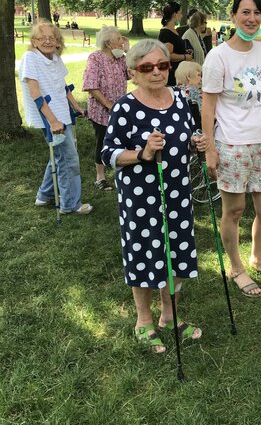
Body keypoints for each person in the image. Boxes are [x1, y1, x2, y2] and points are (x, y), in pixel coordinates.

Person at [101, 39, 207, 352]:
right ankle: (143, 321)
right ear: (133, 72)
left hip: (177, 193)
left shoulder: (178, 100)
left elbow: (187, 134)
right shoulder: (126, 106)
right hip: (141, 197)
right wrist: (142, 153)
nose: (157, 72)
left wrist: (195, 144)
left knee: (176, 253)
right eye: (147, 67)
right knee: (146, 254)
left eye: (162, 65)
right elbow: (109, 153)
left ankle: (170, 318)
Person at [202, 0, 261, 298]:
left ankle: (258, 257)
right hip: (231, 144)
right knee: (234, 210)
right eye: (245, 12)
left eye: (257, 13)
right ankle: (237, 268)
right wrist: (210, 149)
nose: (252, 18)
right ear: (233, 16)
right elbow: (207, 108)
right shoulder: (218, 57)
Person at [18, 19, 92, 215]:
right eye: (42, 38)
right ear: (34, 41)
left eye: (52, 37)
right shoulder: (30, 58)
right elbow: (35, 92)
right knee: (68, 159)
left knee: (59, 155)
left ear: (58, 41)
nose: (48, 41)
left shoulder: (55, 58)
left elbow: (63, 86)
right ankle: (70, 204)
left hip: (61, 113)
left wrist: (77, 107)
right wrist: (52, 121)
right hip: (49, 116)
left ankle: (44, 195)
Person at [82, 26, 129, 191]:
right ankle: (100, 177)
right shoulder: (95, 58)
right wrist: (109, 105)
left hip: (120, 110)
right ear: (109, 43)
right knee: (103, 141)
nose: (122, 42)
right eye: (119, 39)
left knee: (121, 140)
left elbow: (133, 74)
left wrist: (128, 53)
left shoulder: (121, 59)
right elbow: (91, 86)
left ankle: (121, 173)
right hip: (101, 111)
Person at [158, 1, 192, 86]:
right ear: (174, 14)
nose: (182, 15)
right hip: (172, 74)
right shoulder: (166, 33)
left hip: (179, 72)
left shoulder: (173, 30)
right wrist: (185, 56)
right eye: (180, 12)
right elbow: (168, 55)